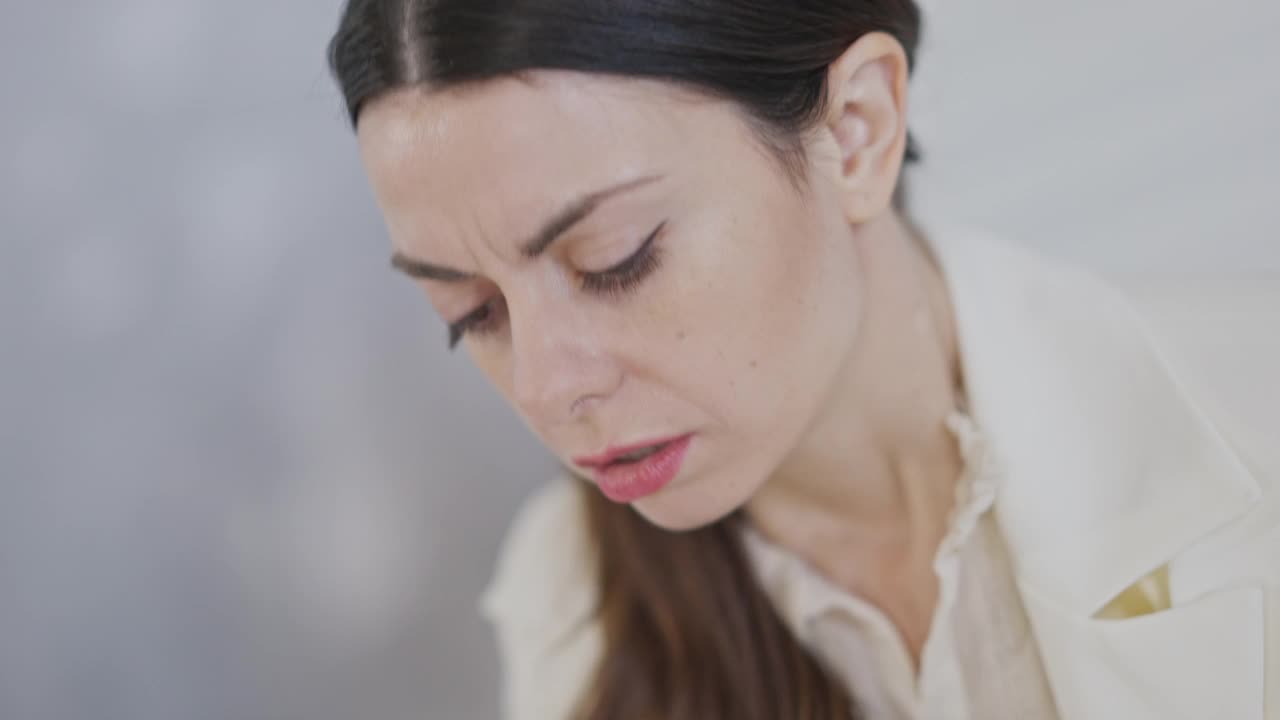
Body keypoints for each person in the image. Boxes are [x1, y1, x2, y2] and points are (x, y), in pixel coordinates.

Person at [327, 1, 1280, 718]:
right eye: (472, 313)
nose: (546, 389)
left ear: (856, 131)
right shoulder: (568, 599)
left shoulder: (1250, 422)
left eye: (616, 260)